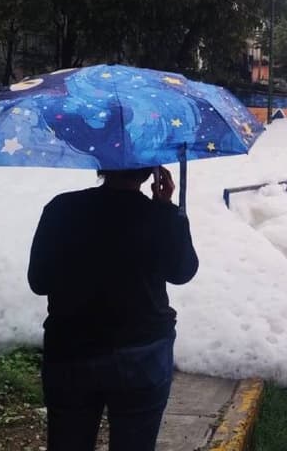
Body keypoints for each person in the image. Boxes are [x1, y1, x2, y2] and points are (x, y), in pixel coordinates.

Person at [29, 167, 199, 451]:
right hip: (143, 354)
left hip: (71, 351)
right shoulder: (159, 215)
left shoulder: (62, 208)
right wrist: (169, 211)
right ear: (151, 173)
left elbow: (39, 281)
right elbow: (182, 272)